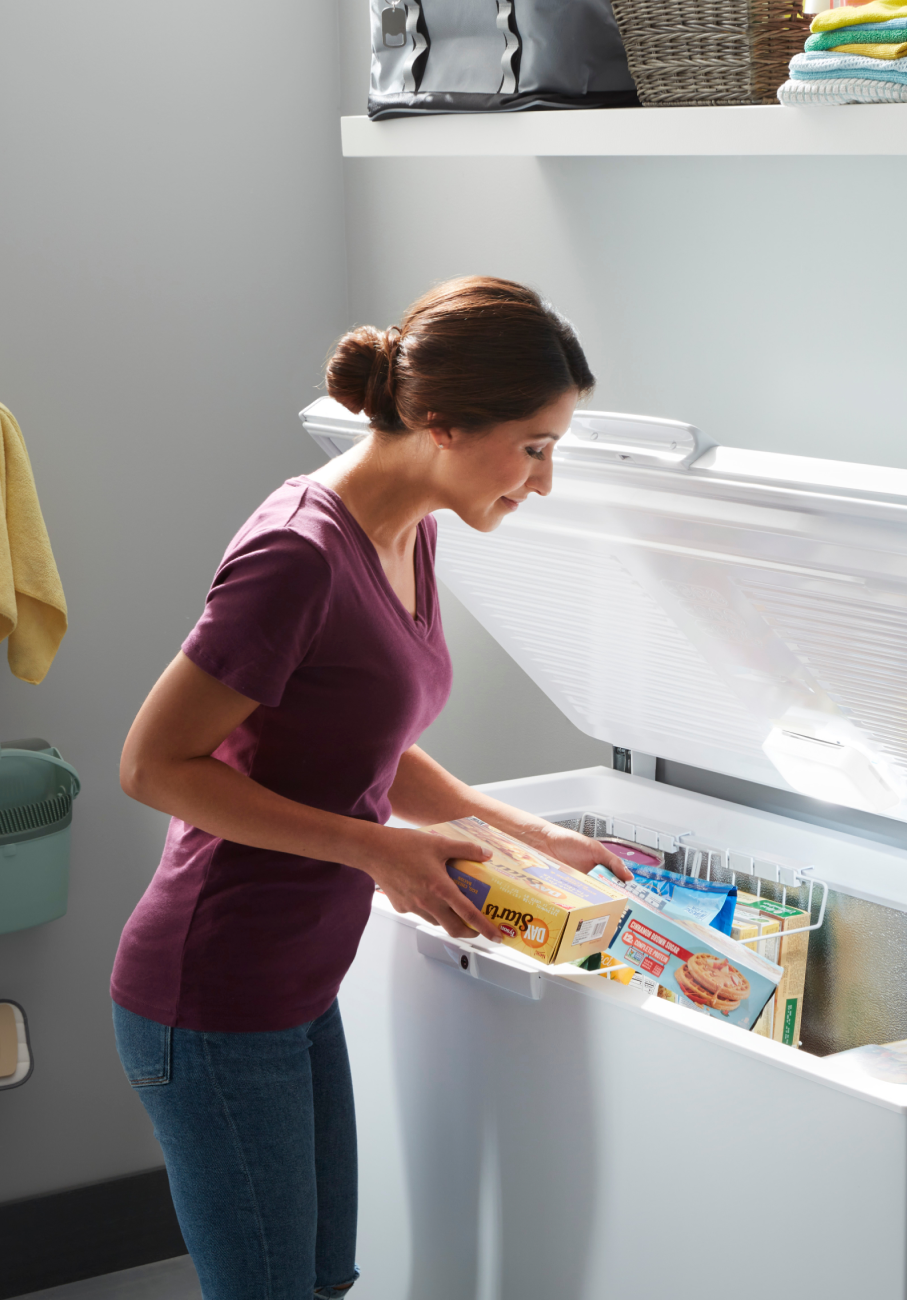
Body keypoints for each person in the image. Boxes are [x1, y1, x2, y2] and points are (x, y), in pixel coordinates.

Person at [111, 277, 631, 1300]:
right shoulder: (296, 557)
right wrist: (374, 846)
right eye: (533, 445)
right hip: (213, 994)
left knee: (321, 1280)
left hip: (296, 985)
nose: (545, 480)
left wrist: (521, 831)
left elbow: (361, 739)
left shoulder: (414, 528)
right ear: (441, 422)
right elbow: (153, 765)